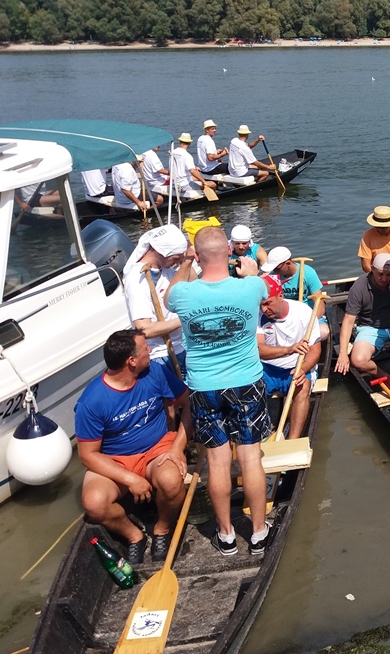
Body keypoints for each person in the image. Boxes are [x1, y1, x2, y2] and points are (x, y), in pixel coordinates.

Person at [165, 226, 273, 556]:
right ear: (229, 251)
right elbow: (260, 286)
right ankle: (258, 531)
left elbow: (171, 293)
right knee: (250, 457)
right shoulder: (251, 286)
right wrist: (250, 269)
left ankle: (225, 534)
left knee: (217, 461)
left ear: (197, 256)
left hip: (204, 385)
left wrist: (185, 264)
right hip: (245, 382)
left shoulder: (183, 295)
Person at [75, 329, 190, 564]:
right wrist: (130, 479)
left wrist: (177, 447)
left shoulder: (156, 372)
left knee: (171, 481)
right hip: (116, 459)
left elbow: (189, 405)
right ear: (132, 361)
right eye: (145, 348)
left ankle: (162, 528)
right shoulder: (92, 401)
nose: (150, 350)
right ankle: (134, 535)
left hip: (157, 448)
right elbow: (88, 455)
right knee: (94, 504)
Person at [334, 253, 390, 377]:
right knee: (358, 360)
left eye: (388, 275)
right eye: (380, 274)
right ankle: (386, 377)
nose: (384, 279)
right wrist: (343, 353)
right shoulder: (359, 286)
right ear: (372, 269)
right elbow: (348, 321)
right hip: (370, 328)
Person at [257, 275, 321, 440]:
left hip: (296, 367)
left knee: (303, 386)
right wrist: (289, 349)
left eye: (267, 303)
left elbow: (315, 351)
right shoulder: (257, 315)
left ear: (280, 295)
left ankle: (292, 439)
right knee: (247, 387)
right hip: (267, 368)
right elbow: (259, 350)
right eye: (260, 305)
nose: (264, 309)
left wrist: (303, 369)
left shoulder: (304, 312)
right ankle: (257, 436)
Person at [123, 225, 192, 375]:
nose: (179, 260)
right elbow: (144, 329)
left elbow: (193, 285)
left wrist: (188, 260)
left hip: (179, 348)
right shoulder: (138, 279)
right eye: (176, 257)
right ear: (161, 251)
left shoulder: (166, 269)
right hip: (159, 356)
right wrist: (185, 319)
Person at [260, 246, 328, 339]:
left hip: (309, 316)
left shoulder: (308, 272)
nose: (274, 271)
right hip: (285, 316)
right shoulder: (273, 277)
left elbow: (319, 305)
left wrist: (310, 324)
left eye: (277, 268)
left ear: (288, 263)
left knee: (323, 331)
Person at [169, 133, 215, 199]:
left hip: (173, 184)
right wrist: (203, 182)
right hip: (183, 186)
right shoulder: (187, 155)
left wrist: (194, 167)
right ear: (190, 143)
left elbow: (179, 164)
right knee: (212, 184)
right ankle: (208, 200)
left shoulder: (172, 152)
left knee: (195, 178)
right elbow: (192, 171)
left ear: (179, 141)